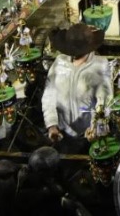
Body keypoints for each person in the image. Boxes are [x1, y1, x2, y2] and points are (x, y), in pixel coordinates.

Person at [41, 24, 113, 153]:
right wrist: (52, 125)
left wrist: (95, 126)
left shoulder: (100, 65)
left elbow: (105, 100)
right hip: (62, 134)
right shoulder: (59, 62)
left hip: (89, 134)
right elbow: (48, 97)